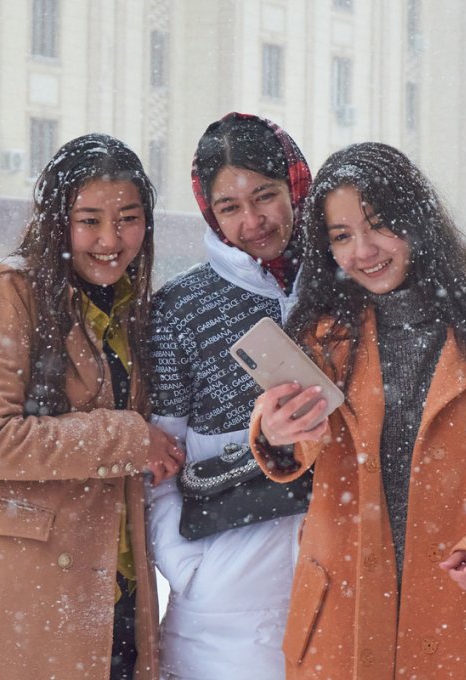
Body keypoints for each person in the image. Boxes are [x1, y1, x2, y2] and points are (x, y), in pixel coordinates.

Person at [250, 142, 466, 679]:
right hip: (339, 625)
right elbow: (298, 442)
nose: (363, 250)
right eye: (342, 237)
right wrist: (277, 431)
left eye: (379, 226)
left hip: (458, 618)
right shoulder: (323, 336)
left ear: (415, 220)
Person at [0, 133, 185, 680]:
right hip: (30, 585)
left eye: (128, 219)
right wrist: (130, 438)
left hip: (112, 582)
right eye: (89, 220)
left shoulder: (129, 304)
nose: (110, 240)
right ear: (56, 220)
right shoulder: (11, 291)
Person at [145, 112, 312, 679]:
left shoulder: (344, 287)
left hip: (337, 579)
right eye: (229, 207)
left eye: (265, 196)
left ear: (294, 185)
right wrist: (188, 566)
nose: (253, 221)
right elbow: (158, 458)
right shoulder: (180, 308)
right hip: (223, 608)